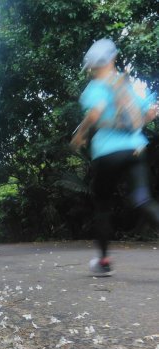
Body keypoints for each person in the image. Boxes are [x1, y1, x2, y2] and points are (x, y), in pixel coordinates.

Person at [71, 38, 159, 276]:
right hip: (135, 151)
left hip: (107, 155)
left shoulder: (94, 88)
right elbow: (148, 115)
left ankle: (104, 262)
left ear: (92, 66)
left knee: (102, 205)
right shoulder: (128, 87)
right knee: (142, 200)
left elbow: (96, 112)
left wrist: (80, 135)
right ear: (113, 59)